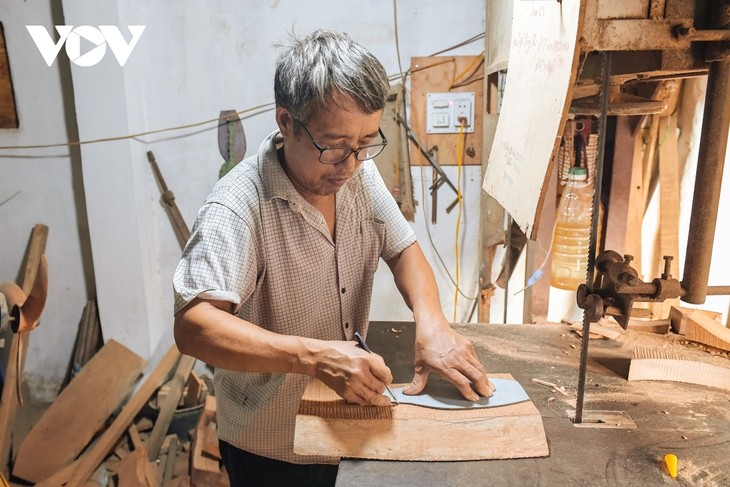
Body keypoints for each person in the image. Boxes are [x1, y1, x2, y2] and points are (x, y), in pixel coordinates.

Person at [173, 29, 494, 487]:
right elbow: (193, 326)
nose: (349, 163)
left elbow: (403, 249)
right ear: (286, 122)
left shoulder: (356, 175)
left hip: (344, 422)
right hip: (272, 444)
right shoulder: (237, 207)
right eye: (334, 145)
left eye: (365, 143)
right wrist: (315, 356)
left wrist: (433, 324)